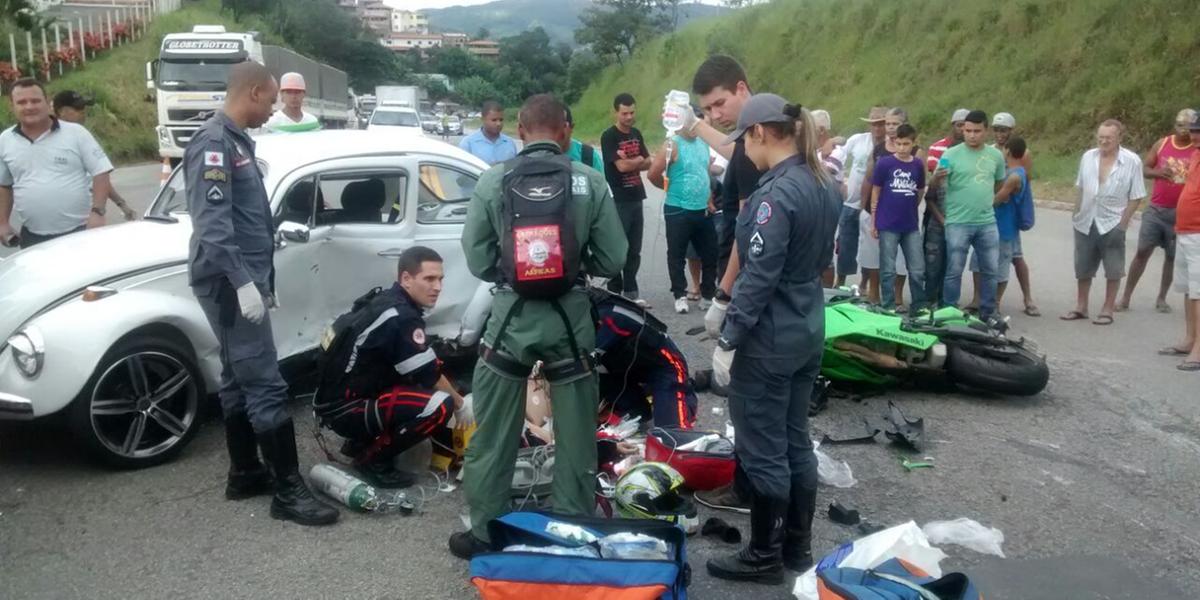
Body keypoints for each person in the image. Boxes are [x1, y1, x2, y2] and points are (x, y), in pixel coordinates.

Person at [451, 94, 627, 559]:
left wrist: (510, 279)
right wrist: (574, 270)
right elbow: (613, 257)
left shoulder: (492, 181)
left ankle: (486, 531)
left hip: (510, 319)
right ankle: (570, 529)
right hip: (570, 321)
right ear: (566, 132)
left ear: (520, 132)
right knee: (575, 434)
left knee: (492, 433)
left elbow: (476, 258)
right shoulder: (590, 181)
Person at [186, 61, 337, 526]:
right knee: (266, 383)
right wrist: (243, 284)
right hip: (229, 284)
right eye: (270, 101)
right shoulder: (214, 145)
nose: (273, 111)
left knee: (236, 376)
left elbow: (247, 221)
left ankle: (246, 472)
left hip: (241, 281)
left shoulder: (235, 142)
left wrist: (259, 281)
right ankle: (288, 492)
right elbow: (213, 228)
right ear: (252, 92)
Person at [707, 94, 840, 584]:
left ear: (760, 133)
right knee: (794, 440)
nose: (743, 150)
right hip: (808, 323)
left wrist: (729, 337)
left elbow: (759, 276)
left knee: (763, 445)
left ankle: (763, 556)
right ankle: (797, 547)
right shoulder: (823, 182)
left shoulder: (773, 196)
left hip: (771, 335)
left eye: (744, 140)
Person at [677, 54, 761, 515]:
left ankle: (750, 492)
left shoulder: (759, 144)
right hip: (752, 282)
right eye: (707, 109)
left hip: (749, 284)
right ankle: (757, 488)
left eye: (719, 104)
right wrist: (698, 128)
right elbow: (735, 151)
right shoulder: (755, 140)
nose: (716, 115)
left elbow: (748, 233)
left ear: (743, 90)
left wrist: (724, 295)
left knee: (748, 396)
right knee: (751, 397)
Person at [313, 246, 466, 489]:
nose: (437, 287)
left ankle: (361, 442)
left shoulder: (386, 301)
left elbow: (421, 361)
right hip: (347, 410)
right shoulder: (401, 316)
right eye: (429, 279)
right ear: (406, 279)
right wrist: (461, 405)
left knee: (419, 373)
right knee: (439, 405)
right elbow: (429, 375)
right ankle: (373, 460)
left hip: (334, 402)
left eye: (440, 279)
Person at [0, 78, 113, 249]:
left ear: (47, 102)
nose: (29, 106)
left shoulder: (76, 133)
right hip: (32, 237)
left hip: (81, 232)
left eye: (35, 100)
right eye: (22, 102)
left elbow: (101, 172)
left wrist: (98, 212)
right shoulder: (5, 140)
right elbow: (4, 185)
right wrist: (3, 222)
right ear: (12, 106)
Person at [1061, 119, 1147, 326]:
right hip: (1086, 219)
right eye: (1101, 137)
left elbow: (1137, 196)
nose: (1104, 141)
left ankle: (1107, 309)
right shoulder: (1088, 157)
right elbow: (1081, 187)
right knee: (1082, 266)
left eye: (1109, 137)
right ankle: (1081, 307)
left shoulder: (1132, 161)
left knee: (1113, 268)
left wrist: (1123, 223)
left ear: (1119, 138)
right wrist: (1076, 213)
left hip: (1113, 221)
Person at [1119, 108, 1198, 313]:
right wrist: (1158, 172)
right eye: (1180, 125)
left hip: (1180, 213)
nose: (1183, 131)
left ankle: (1162, 297)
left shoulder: (1196, 149)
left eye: (1188, 127)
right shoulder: (1162, 143)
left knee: (1171, 256)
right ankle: (1126, 296)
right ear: (1174, 125)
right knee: (1143, 251)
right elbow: (1144, 168)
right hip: (1156, 209)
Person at [932, 110, 1006, 320]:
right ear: (963, 130)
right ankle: (950, 311)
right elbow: (934, 186)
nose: (972, 135)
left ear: (986, 131)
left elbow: (999, 183)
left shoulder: (995, 156)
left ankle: (988, 312)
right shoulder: (950, 154)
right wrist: (937, 177)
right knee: (954, 270)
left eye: (977, 131)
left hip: (986, 221)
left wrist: (986, 200)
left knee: (990, 269)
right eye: (968, 131)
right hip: (957, 221)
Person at [590, 287, 697, 429]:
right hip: (614, 367)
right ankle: (636, 404)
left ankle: (677, 393)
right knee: (626, 421)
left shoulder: (606, 314)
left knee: (673, 436)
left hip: (661, 365)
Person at [648, 105, 718, 314]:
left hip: (702, 208)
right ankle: (679, 294)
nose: (697, 127)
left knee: (710, 252)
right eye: (694, 122)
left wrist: (709, 199)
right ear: (684, 122)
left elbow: (705, 173)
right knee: (677, 253)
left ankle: (707, 293)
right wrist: (668, 188)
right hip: (678, 208)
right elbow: (653, 173)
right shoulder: (672, 144)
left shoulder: (703, 144)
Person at [859, 107, 918, 307]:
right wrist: (864, 208)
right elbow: (869, 180)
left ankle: (903, 298)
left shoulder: (916, 155)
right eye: (888, 124)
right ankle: (880, 297)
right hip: (880, 213)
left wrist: (908, 206)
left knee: (906, 262)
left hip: (905, 218)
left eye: (895, 124)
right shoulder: (879, 152)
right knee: (882, 260)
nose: (891, 128)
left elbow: (920, 189)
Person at [51, 90, 137, 222]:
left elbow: (99, 176)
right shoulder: (48, 139)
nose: (83, 113)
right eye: (78, 109)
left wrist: (122, 204)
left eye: (84, 108)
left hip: (86, 218)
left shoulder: (81, 135)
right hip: (58, 220)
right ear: (62, 111)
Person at [869, 123, 926, 311]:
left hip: (910, 226)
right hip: (887, 224)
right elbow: (875, 192)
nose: (902, 148)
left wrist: (910, 206)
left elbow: (919, 190)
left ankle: (918, 306)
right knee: (888, 269)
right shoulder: (885, 163)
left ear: (913, 143)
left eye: (906, 144)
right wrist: (874, 221)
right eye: (899, 143)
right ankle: (888, 306)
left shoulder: (917, 164)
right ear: (895, 142)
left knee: (917, 269)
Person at [601, 93, 651, 302]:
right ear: (616, 112)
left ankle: (631, 290)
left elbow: (649, 162)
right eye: (624, 113)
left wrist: (635, 160)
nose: (629, 117)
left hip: (636, 196)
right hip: (617, 199)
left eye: (632, 112)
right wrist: (637, 160)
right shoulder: (609, 136)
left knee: (634, 248)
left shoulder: (637, 134)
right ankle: (614, 290)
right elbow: (620, 167)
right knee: (617, 247)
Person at [971, 137, 1031, 307]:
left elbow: (997, 199)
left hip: (1005, 227)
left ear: (1008, 151)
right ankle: (978, 300)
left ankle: (994, 302)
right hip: (991, 223)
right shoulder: (1012, 172)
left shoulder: (1015, 176)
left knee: (1001, 265)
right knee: (978, 261)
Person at [989, 112, 1039, 316]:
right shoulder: (992, 151)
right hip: (1002, 218)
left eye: (1004, 130)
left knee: (1009, 260)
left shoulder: (1020, 160)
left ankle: (1008, 301)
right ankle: (989, 300)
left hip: (1006, 220)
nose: (1000, 133)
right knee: (1014, 256)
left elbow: (1018, 183)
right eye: (997, 129)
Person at [836, 107, 888, 288]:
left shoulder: (890, 146)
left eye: (881, 124)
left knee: (870, 247)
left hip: (873, 205)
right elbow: (839, 153)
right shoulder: (858, 140)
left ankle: (865, 283)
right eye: (874, 124)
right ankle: (840, 282)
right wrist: (838, 179)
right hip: (850, 202)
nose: (877, 128)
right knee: (845, 243)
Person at [1164, 112, 1200, 371]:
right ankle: (1190, 339)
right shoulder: (1197, 154)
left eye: (1198, 132)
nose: (1194, 135)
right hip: (1185, 229)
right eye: (1194, 130)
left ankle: (1199, 349)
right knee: (1189, 289)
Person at [922, 109, 968, 307]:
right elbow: (930, 194)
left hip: (960, 221)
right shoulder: (938, 155)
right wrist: (942, 219)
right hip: (937, 220)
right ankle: (928, 300)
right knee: (933, 264)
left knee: (953, 265)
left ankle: (947, 303)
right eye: (960, 125)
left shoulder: (971, 164)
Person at [459, 100, 518, 165]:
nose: (498, 123)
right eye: (494, 120)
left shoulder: (509, 143)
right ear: (483, 119)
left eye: (501, 120)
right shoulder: (468, 144)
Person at [564, 105, 604, 174]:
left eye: (563, 126)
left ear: (571, 127)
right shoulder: (541, 156)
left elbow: (600, 183)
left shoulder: (588, 155)